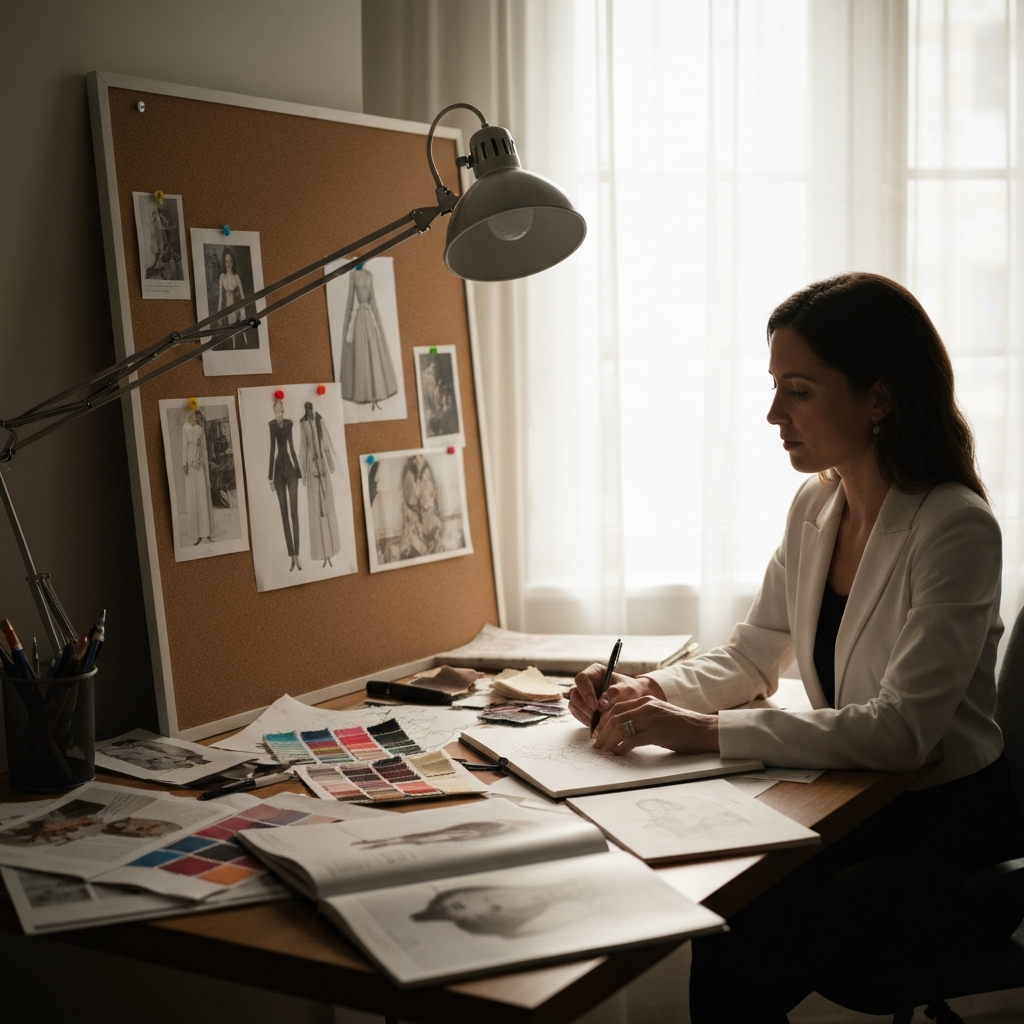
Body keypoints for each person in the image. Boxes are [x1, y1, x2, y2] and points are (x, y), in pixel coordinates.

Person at [569, 273, 1024, 1023]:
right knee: (727, 904)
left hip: (948, 833)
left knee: (748, 921)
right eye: (776, 386)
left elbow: (901, 730)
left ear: (879, 398)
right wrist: (650, 692)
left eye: (799, 390)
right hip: (856, 803)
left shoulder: (956, 527)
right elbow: (754, 656)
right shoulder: (817, 502)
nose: (774, 413)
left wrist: (704, 732)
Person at [340, 265, 398, 409]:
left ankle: (375, 392)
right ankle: (362, 394)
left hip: (369, 319)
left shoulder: (369, 274)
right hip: (359, 319)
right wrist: (346, 327)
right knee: (361, 354)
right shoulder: (353, 274)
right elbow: (349, 300)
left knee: (374, 353)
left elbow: (373, 302)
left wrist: (378, 326)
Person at [299, 401, 340, 568]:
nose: (309, 412)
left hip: (322, 466)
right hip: (311, 467)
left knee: (328, 509)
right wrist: (303, 475)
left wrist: (330, 465)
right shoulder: (303, 424)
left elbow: (326, 444)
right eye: (307, 410)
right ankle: (321, 554)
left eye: (311, 409)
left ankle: (331, 551)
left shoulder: (319, 420)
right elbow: (303, 447)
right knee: (316, 512)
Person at [268, 396, 302, 572]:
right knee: (284, 514)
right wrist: (270, 478)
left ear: (283, 411)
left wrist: (298, 471)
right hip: (277, 472)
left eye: (280, 412)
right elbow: (272, 449)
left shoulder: (289, 424)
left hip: (290, 470)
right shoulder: (272, 425)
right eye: (276, 412)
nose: (278, 415)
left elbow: (292, 447)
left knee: (294, 513)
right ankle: (291, 556)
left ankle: (298, 553)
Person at [181, 409, 214, 546]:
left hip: (198, 463)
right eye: (195, 415)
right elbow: (184, 446)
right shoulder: (185, 427)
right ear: (191, 415)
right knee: (193, 494)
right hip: (189, 460)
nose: (197, 418)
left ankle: (206, 532)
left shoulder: (200, 429)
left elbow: (202, 447)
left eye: (198, 416)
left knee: (202, 495)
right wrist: (184, 463)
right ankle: (196, 534)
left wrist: (201, 460)